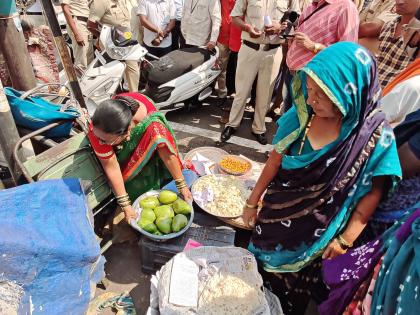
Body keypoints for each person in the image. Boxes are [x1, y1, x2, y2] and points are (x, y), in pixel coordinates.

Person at [242, 42, 401, 315]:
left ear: (350, 94)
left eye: (322, 94)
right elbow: (275, 159)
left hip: (316, 236)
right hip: (275, 217)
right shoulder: (302, 114)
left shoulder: (374, 138)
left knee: (290, 295)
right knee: (252, 276)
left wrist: (346, 240)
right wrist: (252, 201)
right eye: (310, 88)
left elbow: (373, 191)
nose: (311, 98)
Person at [87, 92, 192, 222]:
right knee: (128, 174)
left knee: (154, 151)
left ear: (127, 133)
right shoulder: (97, 131)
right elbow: (111, 165)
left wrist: (181, 185)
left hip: (142, 124)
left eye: (106, 141)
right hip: (119, 127)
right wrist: (125, 205)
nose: (100, 142)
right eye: (99, 138)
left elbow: (164, 149)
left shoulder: (152, 125)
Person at [220, 0, 300, 145]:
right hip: (249, 48)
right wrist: (247, 27)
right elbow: (235, 17)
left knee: (266, 93)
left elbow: (296, 18)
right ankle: (232, 124)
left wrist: (281, 27)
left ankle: (259, 128)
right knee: (241, 92)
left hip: (273, 51)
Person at [283, 0, 359, 111]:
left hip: (313, 81)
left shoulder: (346, 7)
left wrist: (314, 46)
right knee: (287, 122)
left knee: (299, 124)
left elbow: (347, 53)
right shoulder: (311, 6)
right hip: (292, 73)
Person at [88, 0, 140, 92]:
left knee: (133, 68)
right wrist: (104, 36)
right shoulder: (100, 2)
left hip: (125, 38)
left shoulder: (121, 1)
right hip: (110, 43)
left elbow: (124, 23)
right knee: (112, 70)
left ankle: (134, 95)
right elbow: (91, 25)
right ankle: (111, 95)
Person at [376, 0, 419, 89]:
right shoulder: (389, 25)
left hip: (391, 96)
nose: (399, 2)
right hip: (366, 91)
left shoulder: (416, 38)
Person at [215, 0, 240, 103]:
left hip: (238, 37)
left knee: (238, 69)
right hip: (222, 36)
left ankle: (237, 95)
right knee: (221, 68)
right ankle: (222, 94)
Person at [61, 0, 94, 70]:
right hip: (78, 23)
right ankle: (80, 80)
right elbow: (65, 9)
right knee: (82, 61)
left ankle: (88, 80)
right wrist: (76, 34)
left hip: (87, 24)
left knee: (89, 58)